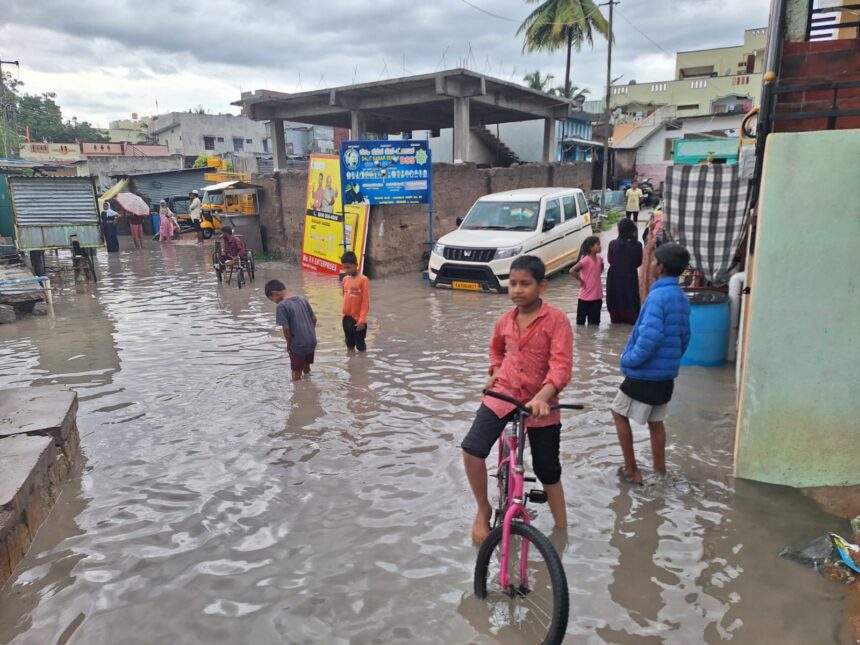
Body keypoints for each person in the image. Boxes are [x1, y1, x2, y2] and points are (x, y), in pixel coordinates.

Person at [462, 255, 573, 544]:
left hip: (542, 403)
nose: (518, 290)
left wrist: (542, 398)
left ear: (542, 286)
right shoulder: (504, 322)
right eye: (513, 284)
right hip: (504, 393)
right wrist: (495, 371)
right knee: (472, 449)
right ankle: (483, 508)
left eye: (525, 284)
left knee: (548, 469)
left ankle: (562, 533)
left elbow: (561, 367)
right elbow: (496, 351)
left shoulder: (557, 321)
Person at [610, 243, 691, 484]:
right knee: (656, 421)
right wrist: (670, 361)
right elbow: (685, 337)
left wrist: (629, 360)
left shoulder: (657, 296)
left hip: (645, 373)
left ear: (661, 266)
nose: (652, 264)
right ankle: (660, 471)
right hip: (666, 375)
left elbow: (650, 337)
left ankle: (631, 470)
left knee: (618, 413)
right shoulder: (681, 297)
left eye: (654, 261)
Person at [265, 279, 318, 382]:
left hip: (298, 343)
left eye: (272, 300)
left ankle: (297, 393)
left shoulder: (282, 306)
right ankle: (309, 385)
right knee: (306, 367)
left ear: (275, 294)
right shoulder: (303, 299)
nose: (275, 302)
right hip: (311, 341)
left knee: (296, 371)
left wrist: (289, 343)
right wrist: (310, 333)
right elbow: (314, 319)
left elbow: (286, 328)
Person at [606, 218, 643, 325]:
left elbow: (610, 260)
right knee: (630, 298)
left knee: (615, 298)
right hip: (630, 275)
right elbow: (639, 262)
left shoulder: (612, 244)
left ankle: (616, 322)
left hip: (614, 276)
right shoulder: (638, 245)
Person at [570, 236, 604, 326]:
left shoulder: (600, 259)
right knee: (580, 323)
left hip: (597, 296)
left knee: (595, 324)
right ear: (591, 247)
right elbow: (572, 270)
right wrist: (581, 281)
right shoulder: (585, 260)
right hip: (584, 297)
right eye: (598, 244)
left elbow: (600, 270)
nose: (600, 246)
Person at [341, 251, 370, 352]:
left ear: (356, 265)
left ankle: (362, 364)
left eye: (348, 267)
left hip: (358, 320)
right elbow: (344, 296)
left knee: (360, 345)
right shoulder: (345, 279)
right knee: (349, 343)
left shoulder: (363, 280)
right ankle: (351, 363)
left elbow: (365, 302)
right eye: (344, 268)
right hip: (346, 318)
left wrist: (362, 321)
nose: (346, 270)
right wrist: (343, 314)